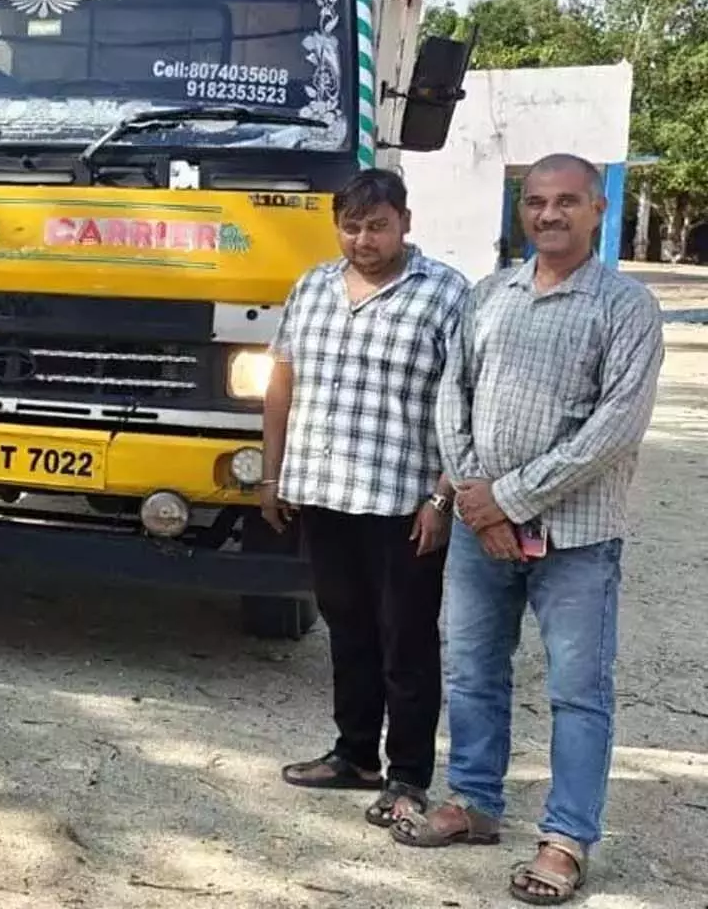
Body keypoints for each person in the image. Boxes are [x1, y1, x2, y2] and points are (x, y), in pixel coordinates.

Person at [392, 154, 664, 907]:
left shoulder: (626, 307)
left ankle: (567, 838)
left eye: (567, 201)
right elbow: (453, 396)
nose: (550, 215)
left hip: (576, 538)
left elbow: (614, 428)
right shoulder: (488, 297)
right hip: (483, 534)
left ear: (599, 208)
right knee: (473, 672)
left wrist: (505, 498)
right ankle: (475, 802)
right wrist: (480, 500)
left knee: (580, 692)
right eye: (537, 202)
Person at [262, 169, 469, 828]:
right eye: (351, 226)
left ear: (405, 221)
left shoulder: (445, 294)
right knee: (347, 630)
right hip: (323, 493)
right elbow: (281, 380)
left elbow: (463, 405)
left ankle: (408, 777)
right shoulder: (313, 286)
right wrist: (271, 476)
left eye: (377, 225)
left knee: (405, 642)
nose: (363, 239)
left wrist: (442, 499)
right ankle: (355, 756)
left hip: (404, 503)